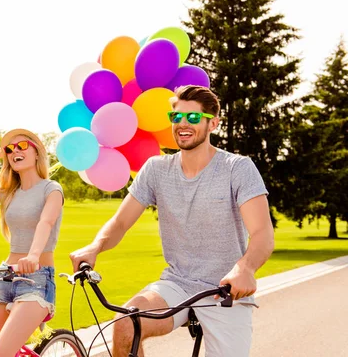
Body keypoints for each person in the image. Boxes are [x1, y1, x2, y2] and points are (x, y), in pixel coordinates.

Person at [69, 85, 275, 357]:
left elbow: (262, 233)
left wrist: (245, 268)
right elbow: (120, 223)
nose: (182, 124)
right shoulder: (156, 169)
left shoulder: (237, 168)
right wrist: (95, 247)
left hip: (226, 291)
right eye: (176, 117)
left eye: (192, 118)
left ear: (213, 123)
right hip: (177, 283)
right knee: (126, 325)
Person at [0, 128, 64, 357]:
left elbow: (45, 223)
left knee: (0, 354)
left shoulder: (51, 189)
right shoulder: (9, 193)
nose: (15, 150)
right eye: (11, 148)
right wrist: (0, 151)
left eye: (23, 146)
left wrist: (34, 256)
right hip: (4, 277)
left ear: (38, 153)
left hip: (37, 279)